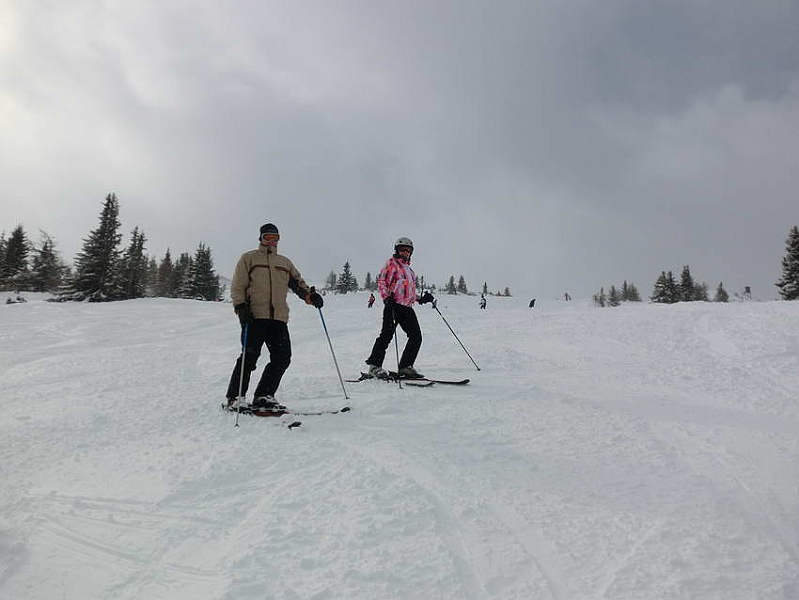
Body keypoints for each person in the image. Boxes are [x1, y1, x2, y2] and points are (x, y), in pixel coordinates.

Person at [225, 223, 323, 409]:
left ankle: (264, 395)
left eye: (275, 238)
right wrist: (241, 307)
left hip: (278, 318)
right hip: (254, 316)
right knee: (249, 357)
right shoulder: (249, 258)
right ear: (260, 238)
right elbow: (238, 286)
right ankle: (235, 397)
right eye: (267, 237)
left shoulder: (285, 263)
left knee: (282, 357)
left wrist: (310, 297)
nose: (271, 241)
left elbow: (298, 284)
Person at [365, 237, 434, 379]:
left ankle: (405, 367)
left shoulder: (410, 270)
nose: (405, 252)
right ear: (397, 250)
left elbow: (409, 292)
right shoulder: (391, 264)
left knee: (416, 336)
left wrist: (421, 299)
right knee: (386, 336)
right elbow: (382, 281)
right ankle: (374, 367)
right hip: (393, 306)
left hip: (407, 307)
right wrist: (386, 298)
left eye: (408, 250)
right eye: (402, 249)